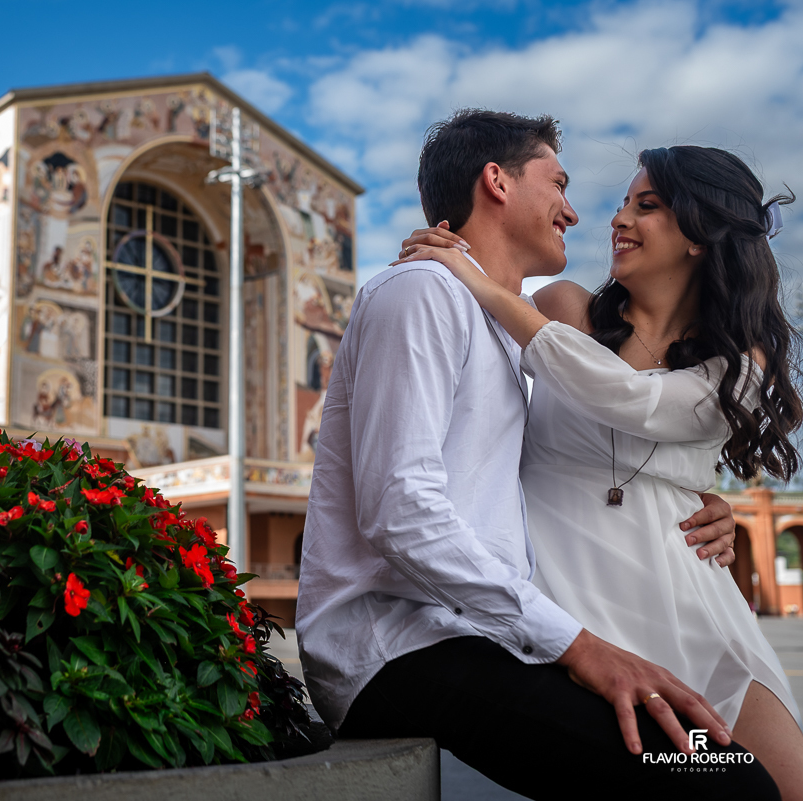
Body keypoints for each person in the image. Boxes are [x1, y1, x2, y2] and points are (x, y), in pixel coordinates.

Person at [295, 110, 782, 800]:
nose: (577, 213)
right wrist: (582, 646)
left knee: (728, 768)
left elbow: (603, 439)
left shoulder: (499, 329)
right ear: (496, 181)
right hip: (401, 643)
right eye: (558, 182)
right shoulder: (422, 292)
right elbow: (400, 513)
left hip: (481, 633)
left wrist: (696, 498)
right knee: (729, 784)